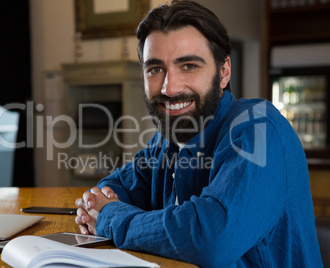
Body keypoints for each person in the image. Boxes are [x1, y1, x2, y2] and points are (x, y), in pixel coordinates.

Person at [75, 0, 323, 267]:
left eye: (189, 66)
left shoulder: (258, 127)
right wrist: (97, 205)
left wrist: (111, 218)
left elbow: (211, 237)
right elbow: (115, 187)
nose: (169, 88)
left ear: (224, 71)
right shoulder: (168, 140)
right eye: (155, 69)